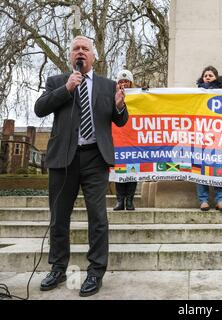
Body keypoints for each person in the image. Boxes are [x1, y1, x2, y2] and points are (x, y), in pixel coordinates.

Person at [34, 35, 129, 297]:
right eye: (76, 48)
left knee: (98, 217)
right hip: (63, 159)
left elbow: (120, 121)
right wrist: (66, 88)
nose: (80, 52)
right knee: (59, 218)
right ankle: (58, 268)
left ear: (94, 56)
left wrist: (120, 107)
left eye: (85, 48)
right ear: (70, 56)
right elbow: (40, 109)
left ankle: (96, 271)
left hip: (95, 159)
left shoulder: (108, 86)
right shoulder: (57, 81)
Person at [196, 66, 222, 212]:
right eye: (205, 75)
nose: (207, 77)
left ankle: (220, 200)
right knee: (201, 170)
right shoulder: (195, 93)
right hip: (200, 138)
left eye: (210, 75)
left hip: (219, 138)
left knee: (219, 169)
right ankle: (203, 201)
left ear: (216, 77)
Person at [113, 69, 137, 211]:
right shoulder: (113, 95)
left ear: (131, 83)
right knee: (119, 170)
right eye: (121, 82)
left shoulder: (138, 95)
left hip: (133, 139)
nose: (123, 84)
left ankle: (130, 201)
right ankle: (119, 201)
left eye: (126, 81)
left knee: (133, 171)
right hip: (119, 138)